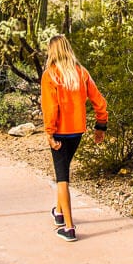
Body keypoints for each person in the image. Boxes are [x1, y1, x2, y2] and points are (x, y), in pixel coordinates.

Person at [41, 34, 107, 242]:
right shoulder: (81, 73)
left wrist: (49, 132)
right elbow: (99, 101)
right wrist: (100, 126)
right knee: (64, 170)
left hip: (59, 132)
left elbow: (51, 107)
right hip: (76, 132)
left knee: (62, 179)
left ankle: (69, 228)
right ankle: (59, 213)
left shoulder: (50, 75)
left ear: (52, 51)